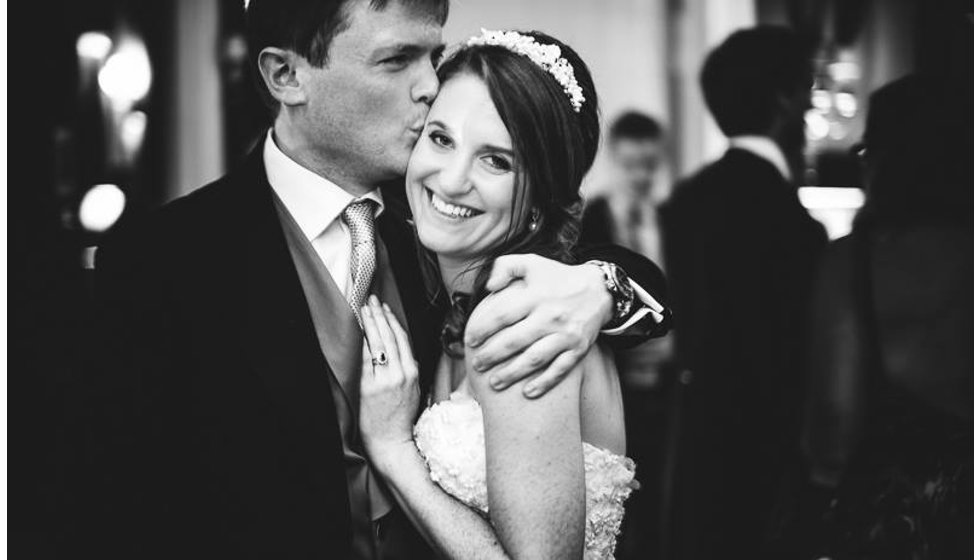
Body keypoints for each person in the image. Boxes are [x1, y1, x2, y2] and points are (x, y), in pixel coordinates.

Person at [81, 1, 670, 558]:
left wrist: (601, 287)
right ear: (286, 75)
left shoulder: (444, 215)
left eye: (432, 58)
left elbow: (617, 271)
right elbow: (122, 504)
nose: (430, 87)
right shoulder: (158, 263)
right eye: (397, 60)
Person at [354, 29, 645, 559]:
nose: (452, 179)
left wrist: (393, 452)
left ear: (540, 197)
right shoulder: (453, 297)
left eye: (496, 161)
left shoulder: (521, 325)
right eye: (441, 139)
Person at [659, 25, 827, 559]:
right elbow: (793, 368)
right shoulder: (794, 226)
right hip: (769, 469)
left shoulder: (687, 202)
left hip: (697, 450)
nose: (812, 102)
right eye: (808, 87)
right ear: (784, 97)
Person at [797, 74, 971, 560]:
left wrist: (816, 505)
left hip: (898, 521)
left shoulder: (854, 264)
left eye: (866, 149)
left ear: (889, 157)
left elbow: (834, 416)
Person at [581, 111, 674, 558]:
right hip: (615, 389)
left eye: (650, 165)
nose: (640, 176)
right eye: (631, 164)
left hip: (670, 388)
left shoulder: (675, 221)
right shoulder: (587, 225)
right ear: (614, 160)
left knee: (663, 505)